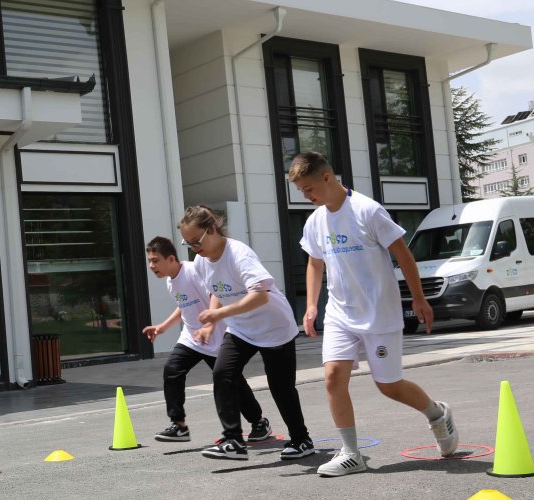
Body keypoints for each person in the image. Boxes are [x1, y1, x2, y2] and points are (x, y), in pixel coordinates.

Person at [290, 151, 457, 477]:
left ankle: (436, 414)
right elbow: (314, 261)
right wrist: (311, 305)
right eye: (301, 192)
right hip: (339, 313)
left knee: (389, 385)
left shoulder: (367, 211)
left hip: (379, 313)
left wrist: (420, 299)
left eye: (309, 189)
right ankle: (351, 453)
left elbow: (403, 255)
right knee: (332, 377)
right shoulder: (316, 221)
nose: (307, 197)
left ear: (327, 177)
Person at [178, 205, 315, 461]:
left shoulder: (239, 254)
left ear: (213, 230)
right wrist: (210, 323)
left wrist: (218, 315)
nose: (194, 248)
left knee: (281, 388)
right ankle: (233, 441)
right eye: (188, 244)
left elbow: (260, 296)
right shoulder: (201, 262)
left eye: (197, 241)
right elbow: (217, 291)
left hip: (274, 327)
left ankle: (301, 440)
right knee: (222, 373)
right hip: (241, 327)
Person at [142, 235, 273, 444]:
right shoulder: (170, 282)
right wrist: (163, 327)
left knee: (232, 382)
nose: (151, 265)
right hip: (192, 337)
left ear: (171, 259)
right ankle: (179, 425)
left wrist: (211, 324)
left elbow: (216, 292)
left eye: (155, 260)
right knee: (172, 370)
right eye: (149, 261)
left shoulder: (193, 271)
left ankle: (258, 422)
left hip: (216, 335)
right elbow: (184, 306)